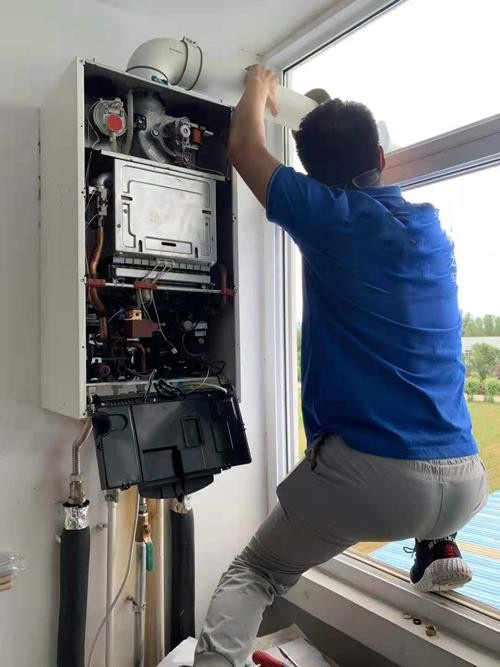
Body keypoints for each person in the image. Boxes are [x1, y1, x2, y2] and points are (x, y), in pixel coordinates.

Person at [193, 66, 489, 667]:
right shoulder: (431, 229)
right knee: (418, 383)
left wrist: (260, 84)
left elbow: (244, 147)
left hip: (373, 480)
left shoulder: (330, 216)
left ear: (311, 180)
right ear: (380, 156)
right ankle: (437, 547)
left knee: (257, 570)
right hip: (466, 479)